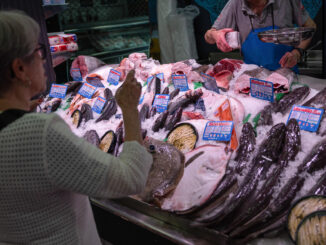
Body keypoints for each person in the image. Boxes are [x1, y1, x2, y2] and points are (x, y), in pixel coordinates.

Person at [0, 10, 152, 245]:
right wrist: (130, 110)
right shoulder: (38, 134)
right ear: (19, 69)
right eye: (38, 52)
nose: (43, 60)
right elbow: (130, 179)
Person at [204, 0, 317, 71]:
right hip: (252, 73)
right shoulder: (235, 3)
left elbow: (310, 27)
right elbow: (208, 37)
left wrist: (297, 53)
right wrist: (215, 34)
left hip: (285, 70)